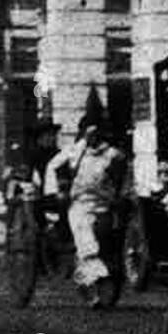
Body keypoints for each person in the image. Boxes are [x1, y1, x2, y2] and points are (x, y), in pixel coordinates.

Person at [57, 111, 127, 308]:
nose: (92, 138)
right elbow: (59, 170)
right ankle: (95, 274)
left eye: (96, 134)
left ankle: (100, 276)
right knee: (84, 233)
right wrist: (61, 188)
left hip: (104, 206)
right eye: (88, 134)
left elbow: (121, 180)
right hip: (79, 205)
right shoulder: (76, 153)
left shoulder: (113, 155)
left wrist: (119, 198)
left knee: (106, 238)